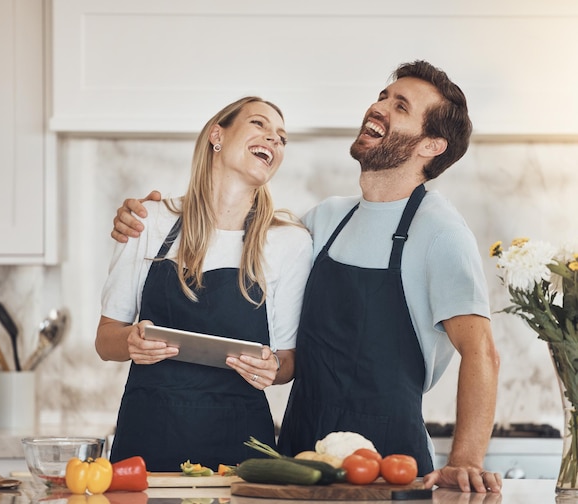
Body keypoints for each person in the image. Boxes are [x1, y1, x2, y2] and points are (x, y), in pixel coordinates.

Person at [108, 61, 502, 494]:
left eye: (400, 106)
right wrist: (146, 216)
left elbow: (481, 351)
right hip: (300, 451)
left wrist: (465, 460)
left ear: (430, 145)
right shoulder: (324, 220)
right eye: (384, 96)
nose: (379, 106)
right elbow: (241, 228)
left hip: (388, 459)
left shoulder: (441, 231)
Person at [96, 96, 313, 472]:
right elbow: (105, 339)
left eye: (282, 138)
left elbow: (288, 362)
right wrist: (131, 341)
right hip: (148, 442)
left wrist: (272, 367)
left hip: (240, 446)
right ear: (217, 135)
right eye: (259, 124)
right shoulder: (150, 221)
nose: (274, 140)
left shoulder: (289, 241)